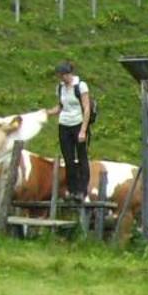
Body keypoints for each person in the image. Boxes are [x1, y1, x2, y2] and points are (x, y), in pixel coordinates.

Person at [54, 60, 94, 201]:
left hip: (78, 123)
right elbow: (60, 106)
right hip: (64, 124)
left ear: (69, 74)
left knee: (81, 157)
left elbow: (87, 108)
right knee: (68, 158)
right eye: (60, 76)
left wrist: (83, 130)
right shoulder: (60, 87)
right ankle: (72, 190)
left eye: (63, 75)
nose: (61, 78)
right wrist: (47, 112)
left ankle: (82, 190)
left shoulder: (81, 86)